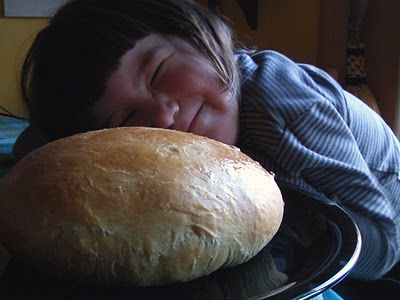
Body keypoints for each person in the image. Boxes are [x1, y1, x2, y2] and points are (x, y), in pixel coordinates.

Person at [14, 0, 400, 297]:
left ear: (199, 33)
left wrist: (264, 207)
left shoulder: (281, 104)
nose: (164, 116)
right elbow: (35, 151)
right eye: (127, 117)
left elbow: (383, 245)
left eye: (159, 72)